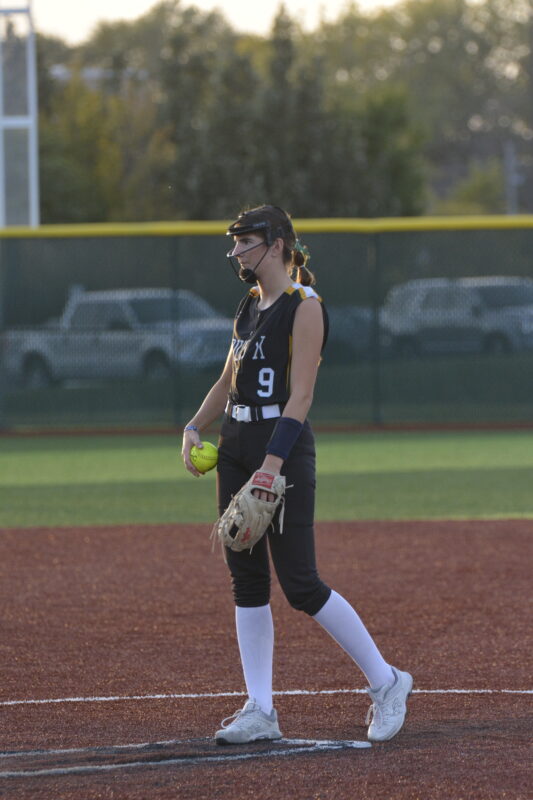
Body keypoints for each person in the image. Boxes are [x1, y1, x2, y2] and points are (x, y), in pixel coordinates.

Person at [182, 204, 412, 745]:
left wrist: (271, 467)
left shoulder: (304, 306)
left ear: (279, 244)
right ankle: (260, 709)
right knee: (247, 580)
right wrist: (194, 426)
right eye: (234, 242)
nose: (236, 251)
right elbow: (227, 381)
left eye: (246, 241)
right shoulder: (249, 304)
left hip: (278, 452)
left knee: (302, 584)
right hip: (235, 446)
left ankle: (387, 682)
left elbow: (302, 395)